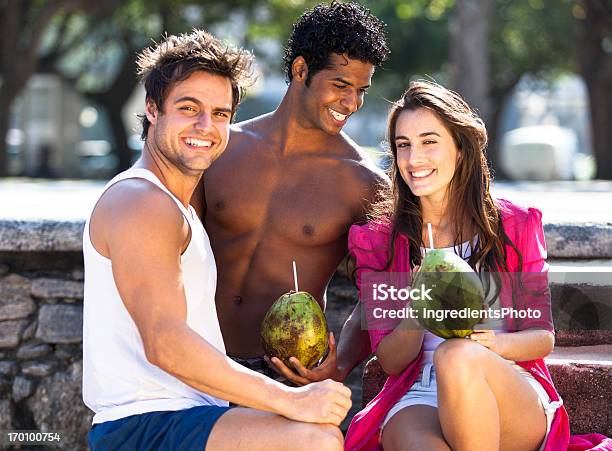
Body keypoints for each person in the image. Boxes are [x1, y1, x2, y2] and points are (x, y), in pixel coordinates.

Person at [82, 30, 351, 451]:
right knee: (311, 441)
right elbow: (166, 343)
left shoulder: (177, 205)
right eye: (189, 109)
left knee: (319, 435)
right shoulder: (140, 201)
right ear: (152, 109)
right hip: (144, 426)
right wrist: (292, 400)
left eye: (221, 114)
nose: (206, 127)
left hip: (192, 414)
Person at [344, 80, 571, 451]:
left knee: (457, 355)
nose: (414, 159)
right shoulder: (381, 243)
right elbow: (390, 360)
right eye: (404, 145)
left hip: (503, 382)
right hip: (419, 391)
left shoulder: (514, 227)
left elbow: (542, 337)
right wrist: (418, 307)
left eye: (429, 141)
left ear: (461, 148)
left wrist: (492, 345)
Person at [193, 1, 390, 384]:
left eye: (361, 90)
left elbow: (383, 293)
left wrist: (342, 363)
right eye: (340, 86)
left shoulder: (363, 182)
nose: (351, 103)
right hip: (199, 359)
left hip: (287, 374)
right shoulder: (223, 147)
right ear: (301, 70)